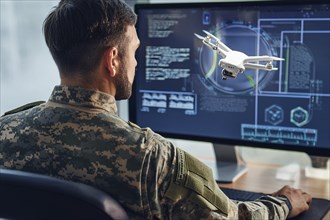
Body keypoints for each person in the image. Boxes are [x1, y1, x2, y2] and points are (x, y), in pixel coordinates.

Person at [0, 0, 312, 219]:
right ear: (113, 60)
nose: (137, 62)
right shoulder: (152, 159)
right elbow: (232, 218)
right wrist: (283, 202)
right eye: (134, 51)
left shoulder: (6, 130)